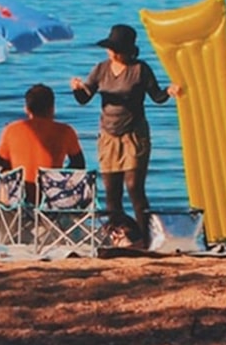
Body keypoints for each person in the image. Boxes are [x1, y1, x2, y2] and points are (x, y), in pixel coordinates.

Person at [70, 23, 181, 248]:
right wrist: (76, 89)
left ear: (126, 50)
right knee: (112, 193)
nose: (110, 52)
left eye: (114, 49)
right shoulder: (101, 69)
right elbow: (84, 99)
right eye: (110, 48)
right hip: (108, 136)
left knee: (134, 188)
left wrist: (169, 91)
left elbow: (157, 96)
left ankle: (146, 241)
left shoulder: (140, 69)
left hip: (134, 135)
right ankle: (120, 239)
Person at [0, 83, 85, 206]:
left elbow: (0, 165)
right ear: (52, 108)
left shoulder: (11, 130)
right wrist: (60, 177)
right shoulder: (66, 131)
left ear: (26, 109)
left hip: (18, 201)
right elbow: (79, 165)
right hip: (52, 200)